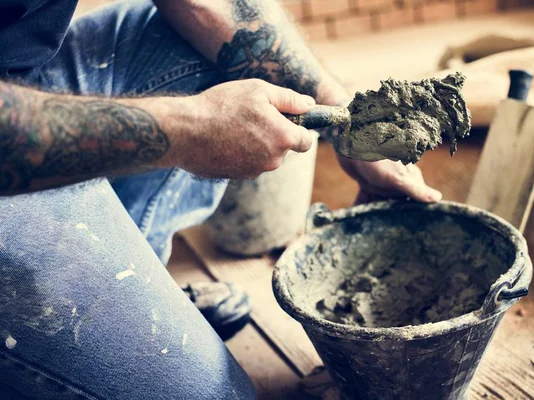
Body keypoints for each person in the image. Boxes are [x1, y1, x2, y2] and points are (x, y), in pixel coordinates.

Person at [0, 0, 441, 398]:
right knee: (217, 394)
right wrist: (185, 128)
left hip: (25, 77)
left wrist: (349, 125)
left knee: (232, 52)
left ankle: (137, 273)